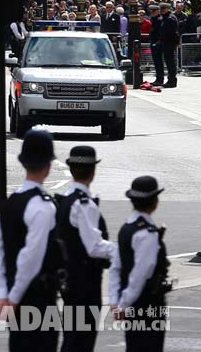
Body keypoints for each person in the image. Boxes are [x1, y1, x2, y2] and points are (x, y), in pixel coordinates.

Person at [0, 128, 60, 352]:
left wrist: (3, 296)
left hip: (11, 295)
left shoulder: (10, 203)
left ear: (23, 162)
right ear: (48, 166)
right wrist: (15, 298)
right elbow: (31, 258)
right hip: (38, 298)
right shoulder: (44, 206)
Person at [56, 146, 116, 352]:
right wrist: (123, 251)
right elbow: (94, 246)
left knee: (73, 338)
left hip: (70, 280)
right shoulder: (84, 204)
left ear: (71, 170)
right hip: (85, 282)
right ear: (93, 172)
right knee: (81, 341)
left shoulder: (64, 200)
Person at [110, 176, 170, 352]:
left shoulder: (126, 228)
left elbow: (116, 267)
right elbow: (139, 275)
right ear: (155, 202)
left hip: (132, 304)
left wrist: (116, 301)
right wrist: (123, 304)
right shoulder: (148, 233)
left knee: (134, 345)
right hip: (148, 303)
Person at [154, 2, 179, 88]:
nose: (162, 11)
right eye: (161, 9)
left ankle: (172, 80)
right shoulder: (164, 18)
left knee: (170, 62)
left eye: (163, 9)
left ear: (168, 9)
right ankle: (166, 79)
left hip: (169, 42)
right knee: (166, 61)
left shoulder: (170, 18)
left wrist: (174, 42)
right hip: (164, 42)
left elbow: (172, 32)